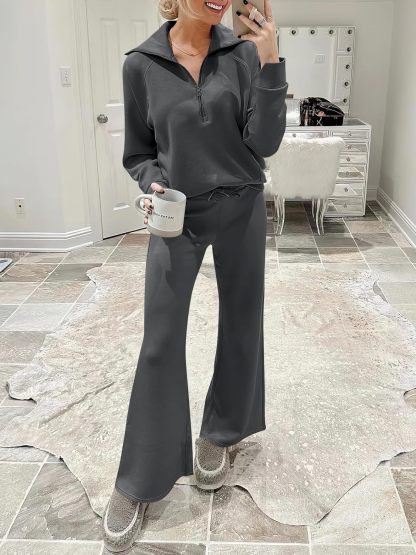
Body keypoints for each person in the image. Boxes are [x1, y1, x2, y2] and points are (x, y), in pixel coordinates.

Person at [102, 0, 288, 551]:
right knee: (160, 339)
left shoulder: (243, 55)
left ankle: (223, 431)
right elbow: (138, 152)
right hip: (176, 213)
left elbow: (265, 144)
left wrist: (270, 60)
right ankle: (141, 477)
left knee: (242, 322)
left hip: (242, 205)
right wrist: (151, 182)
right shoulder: (141, 64)